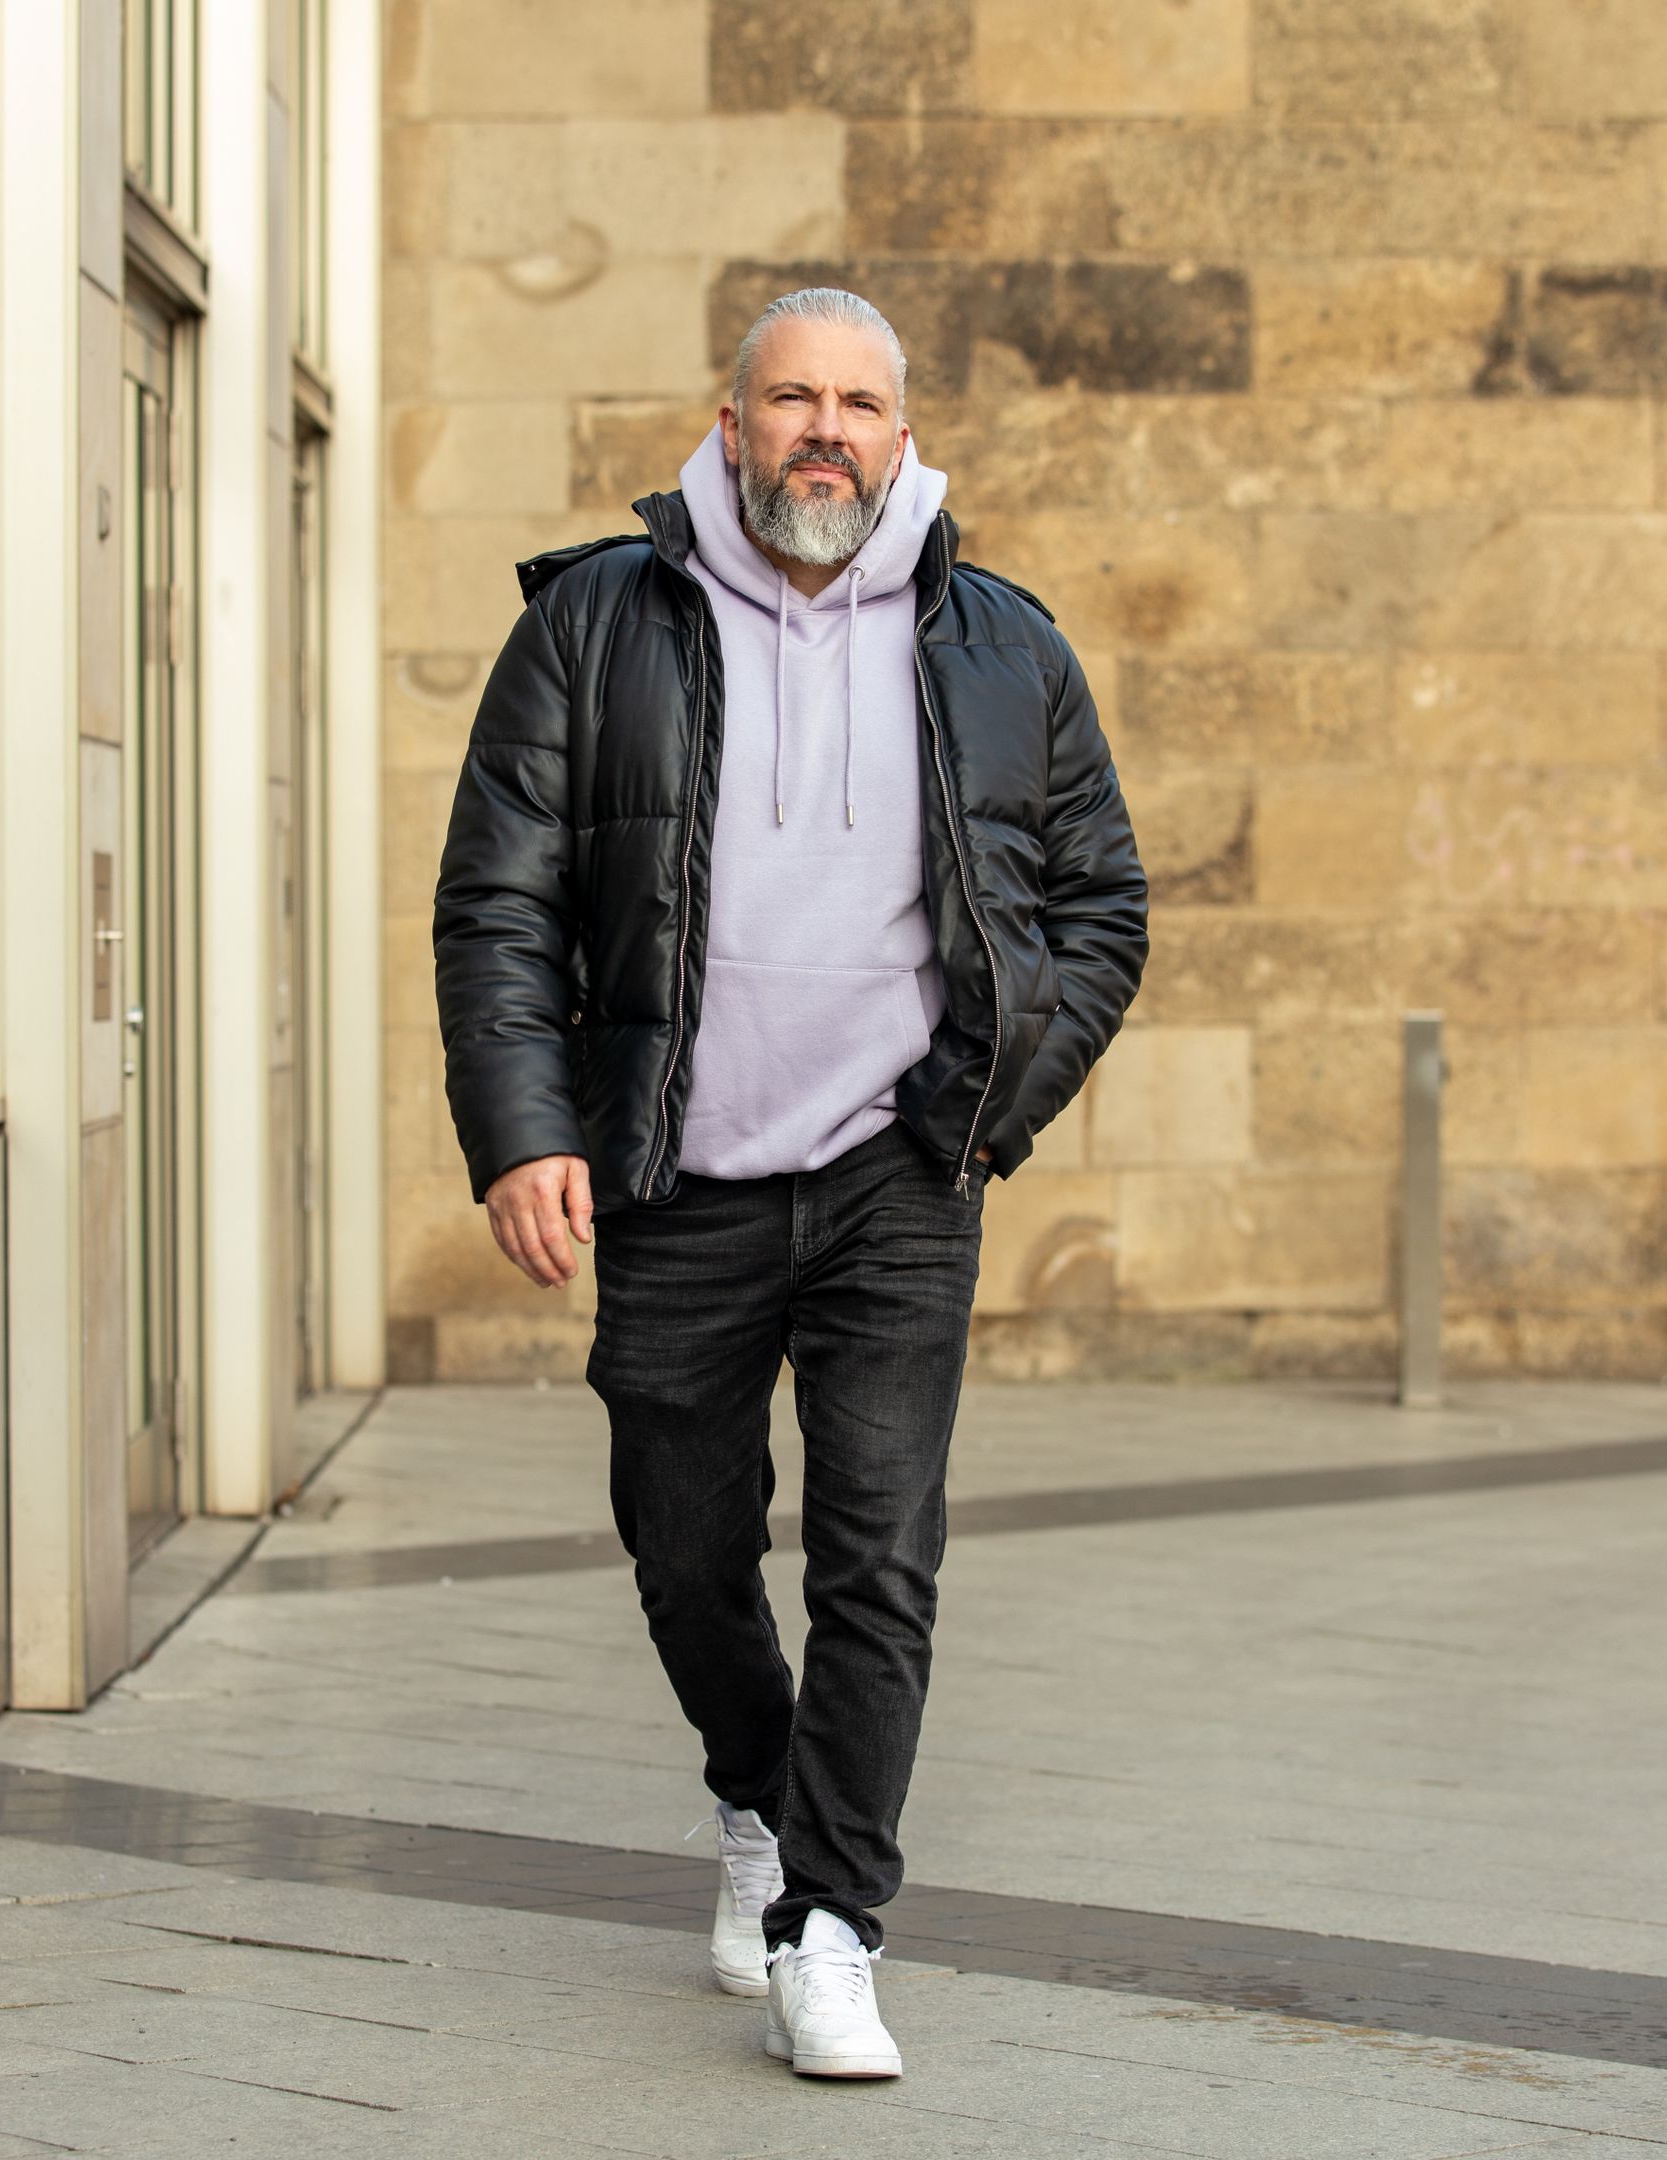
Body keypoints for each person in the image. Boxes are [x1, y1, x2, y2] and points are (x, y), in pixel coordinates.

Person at [433, 288, 1148, 2079]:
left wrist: (984, 1106)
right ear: (731, 421)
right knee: (683, 1544)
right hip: (677, 1170)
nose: (825, 430)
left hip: (901, 1169)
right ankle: (756, 1793)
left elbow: (1102, 905)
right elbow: (500, 898)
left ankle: (833, 1924)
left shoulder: (1006, 646)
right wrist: (526, 1130)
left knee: (877, 1556)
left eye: (859, 403)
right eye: (792, 399)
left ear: (904, 435)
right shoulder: (594, 623)